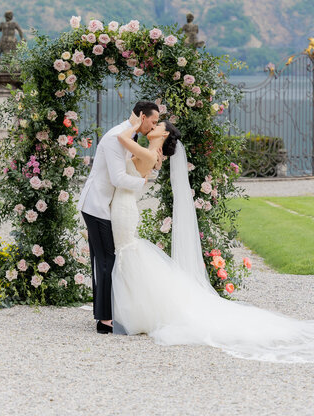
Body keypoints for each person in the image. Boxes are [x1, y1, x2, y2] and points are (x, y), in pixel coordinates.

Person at [110, 114, 314, 362]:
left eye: (157, 124)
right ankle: (136, 308)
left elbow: (120, 138)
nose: (152, 126)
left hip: (124, 207)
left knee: (128, 251)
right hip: (123, 205)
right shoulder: (151, 154)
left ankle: (134, 311)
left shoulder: (150, 155)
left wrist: (134, 123)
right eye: (153, 122)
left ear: (163, 134)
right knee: (129, 252)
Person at [78, 101, 161, 334]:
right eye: (153, 122)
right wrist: (143, 182)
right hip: (97, 205)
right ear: (142, 116)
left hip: (106, 205)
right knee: (107, 260)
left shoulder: (128, 136)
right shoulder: (117, 136)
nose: (153, 127)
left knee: (103, 259)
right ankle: (104, 320)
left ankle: (103, 312)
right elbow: (117, 178)